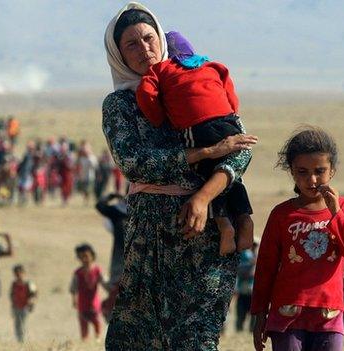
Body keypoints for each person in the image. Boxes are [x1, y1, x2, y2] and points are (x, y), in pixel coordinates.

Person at [102, 3, 257, 350]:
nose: (144, 50)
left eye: (148, 38)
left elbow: (240, 148)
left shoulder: (195, 81)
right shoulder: (120, 105)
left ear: (161, 39)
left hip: (209, 233)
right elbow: (133, 162)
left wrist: (203, 197)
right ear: (118, 54)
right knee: (137, 338)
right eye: (132, 44)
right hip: (150, 241)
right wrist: (202, 153)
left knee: (197, 338)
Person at [136, 31, 254, 256]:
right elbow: (231, 93)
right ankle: (244, 217)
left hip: (197, 127)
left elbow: (146, 93)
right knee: (230, 172)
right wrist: (230, 116)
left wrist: (159, 117)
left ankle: (224, 225)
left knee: (204, 170)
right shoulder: (212, 65)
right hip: (228, 122)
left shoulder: (161, 69)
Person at [251, 127, 344, 351]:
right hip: (286, 315)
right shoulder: (282, 214)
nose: (311, 179)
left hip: (328, 315)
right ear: (292, 172)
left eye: (319, 171)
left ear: (332, 171)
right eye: (302, 171)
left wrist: (336, 213)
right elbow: (266, 267)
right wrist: (259, 313)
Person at [95, 193, 127, 322]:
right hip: (119, 260)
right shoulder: (117, 212)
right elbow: (100, 205)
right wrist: (111, 196)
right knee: (115, 291)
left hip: (140, 259)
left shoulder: (144, 209)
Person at [70, 244, 107, 341]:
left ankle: (98, 339)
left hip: (94, 304)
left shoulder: (97, 270)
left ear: (92, 256)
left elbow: (104, 283)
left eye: (86, 256)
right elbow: (73, 288)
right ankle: (84, 341)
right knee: (83, 325)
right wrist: (74, 300)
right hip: (82, 304)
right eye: (81, 257)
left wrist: (112, 290)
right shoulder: (77, 273)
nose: (84, 259)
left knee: (97, 322)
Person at [9, 264, 37, 343]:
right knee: (17, 325)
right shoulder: (14, 284)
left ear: (23, 273)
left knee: (23, 324)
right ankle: (19, 340)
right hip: (16, 307)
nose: (18, 275)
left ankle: (23, 340)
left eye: (19, 273)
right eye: (16, 274)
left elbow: (34, 294)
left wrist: (31, 302)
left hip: (25, 307)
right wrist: (12, 307)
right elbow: (12, 296)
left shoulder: (28, 283)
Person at [235, 242, 258, 333]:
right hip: (244, 290)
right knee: (241, 314)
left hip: (252, 292)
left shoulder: (255, 256)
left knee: (253, 315)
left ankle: (251, 331)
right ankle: (239, 331)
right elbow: (241, 270)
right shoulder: (245, 255)